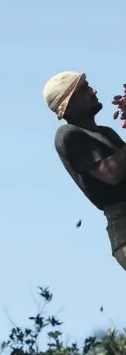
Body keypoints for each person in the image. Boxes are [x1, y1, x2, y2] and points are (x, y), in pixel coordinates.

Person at [43, 71, 126, 272]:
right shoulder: (68, 135)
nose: (93, 91)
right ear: (68, 103)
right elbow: (111, 173)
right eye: (85, 88)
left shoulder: (106, 133)